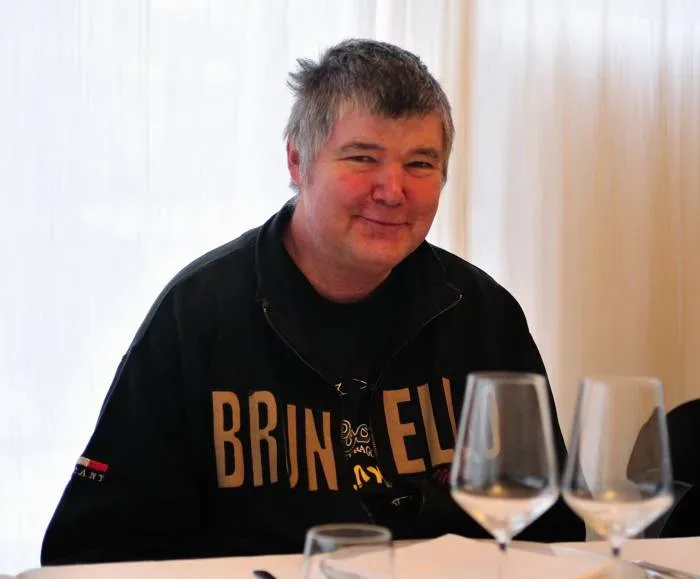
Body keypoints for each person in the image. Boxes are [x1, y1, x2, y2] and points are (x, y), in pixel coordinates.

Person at [41, 38, 585, 565]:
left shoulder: (482, 313)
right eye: (362, 158)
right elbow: (90, 553)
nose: (392, 190)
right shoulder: (197, 315)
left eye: (420, 164)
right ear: (298, 162)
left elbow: (551, 528)